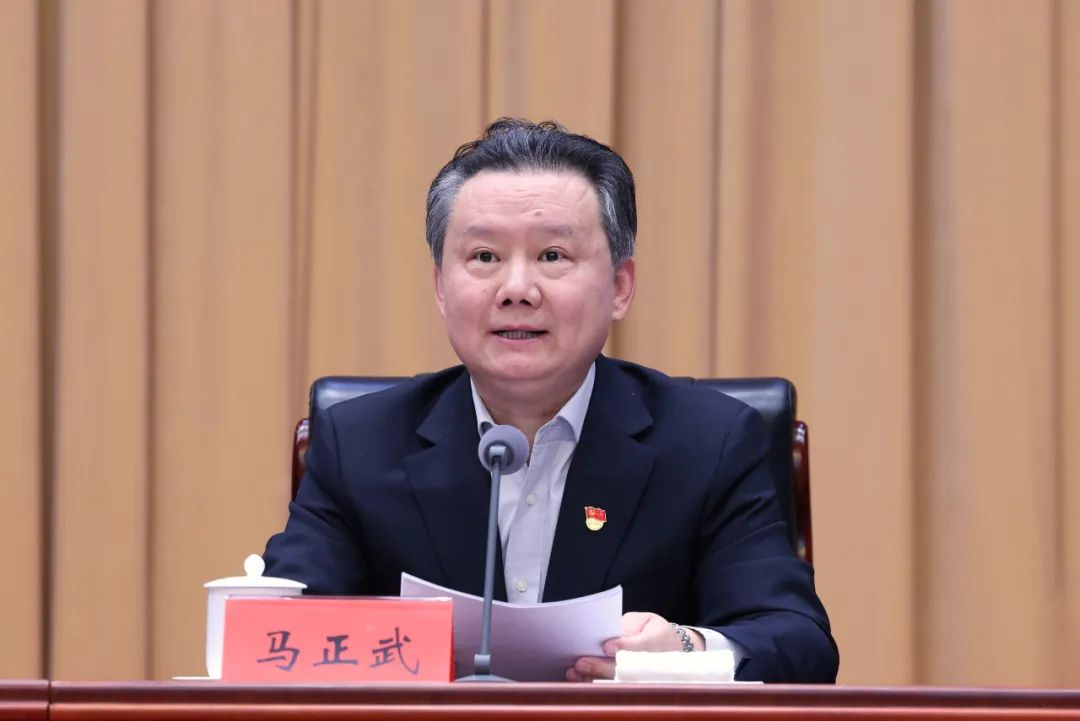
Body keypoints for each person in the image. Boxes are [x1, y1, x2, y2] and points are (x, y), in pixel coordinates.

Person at [263, 118, 839, 683]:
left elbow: (797, 642)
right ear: (441, 286)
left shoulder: (708, 442)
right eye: (484, 257)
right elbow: (274, 638)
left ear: (620, 287)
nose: (517, 289)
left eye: (553, 256)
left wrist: (684, 649)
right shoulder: (359, 444)